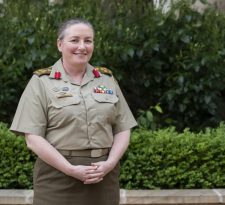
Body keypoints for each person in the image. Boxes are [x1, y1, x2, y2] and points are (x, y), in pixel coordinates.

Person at [10, 18, 137, 205]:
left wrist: (109, 163)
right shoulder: (41, 82)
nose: (82, 46)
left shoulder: (106, 79)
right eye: (75, 40)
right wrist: (70, 169)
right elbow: (33, 138)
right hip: (57, 177)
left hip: (103, 177)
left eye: (88, 40)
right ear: (60, 44)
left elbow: (123, 128)